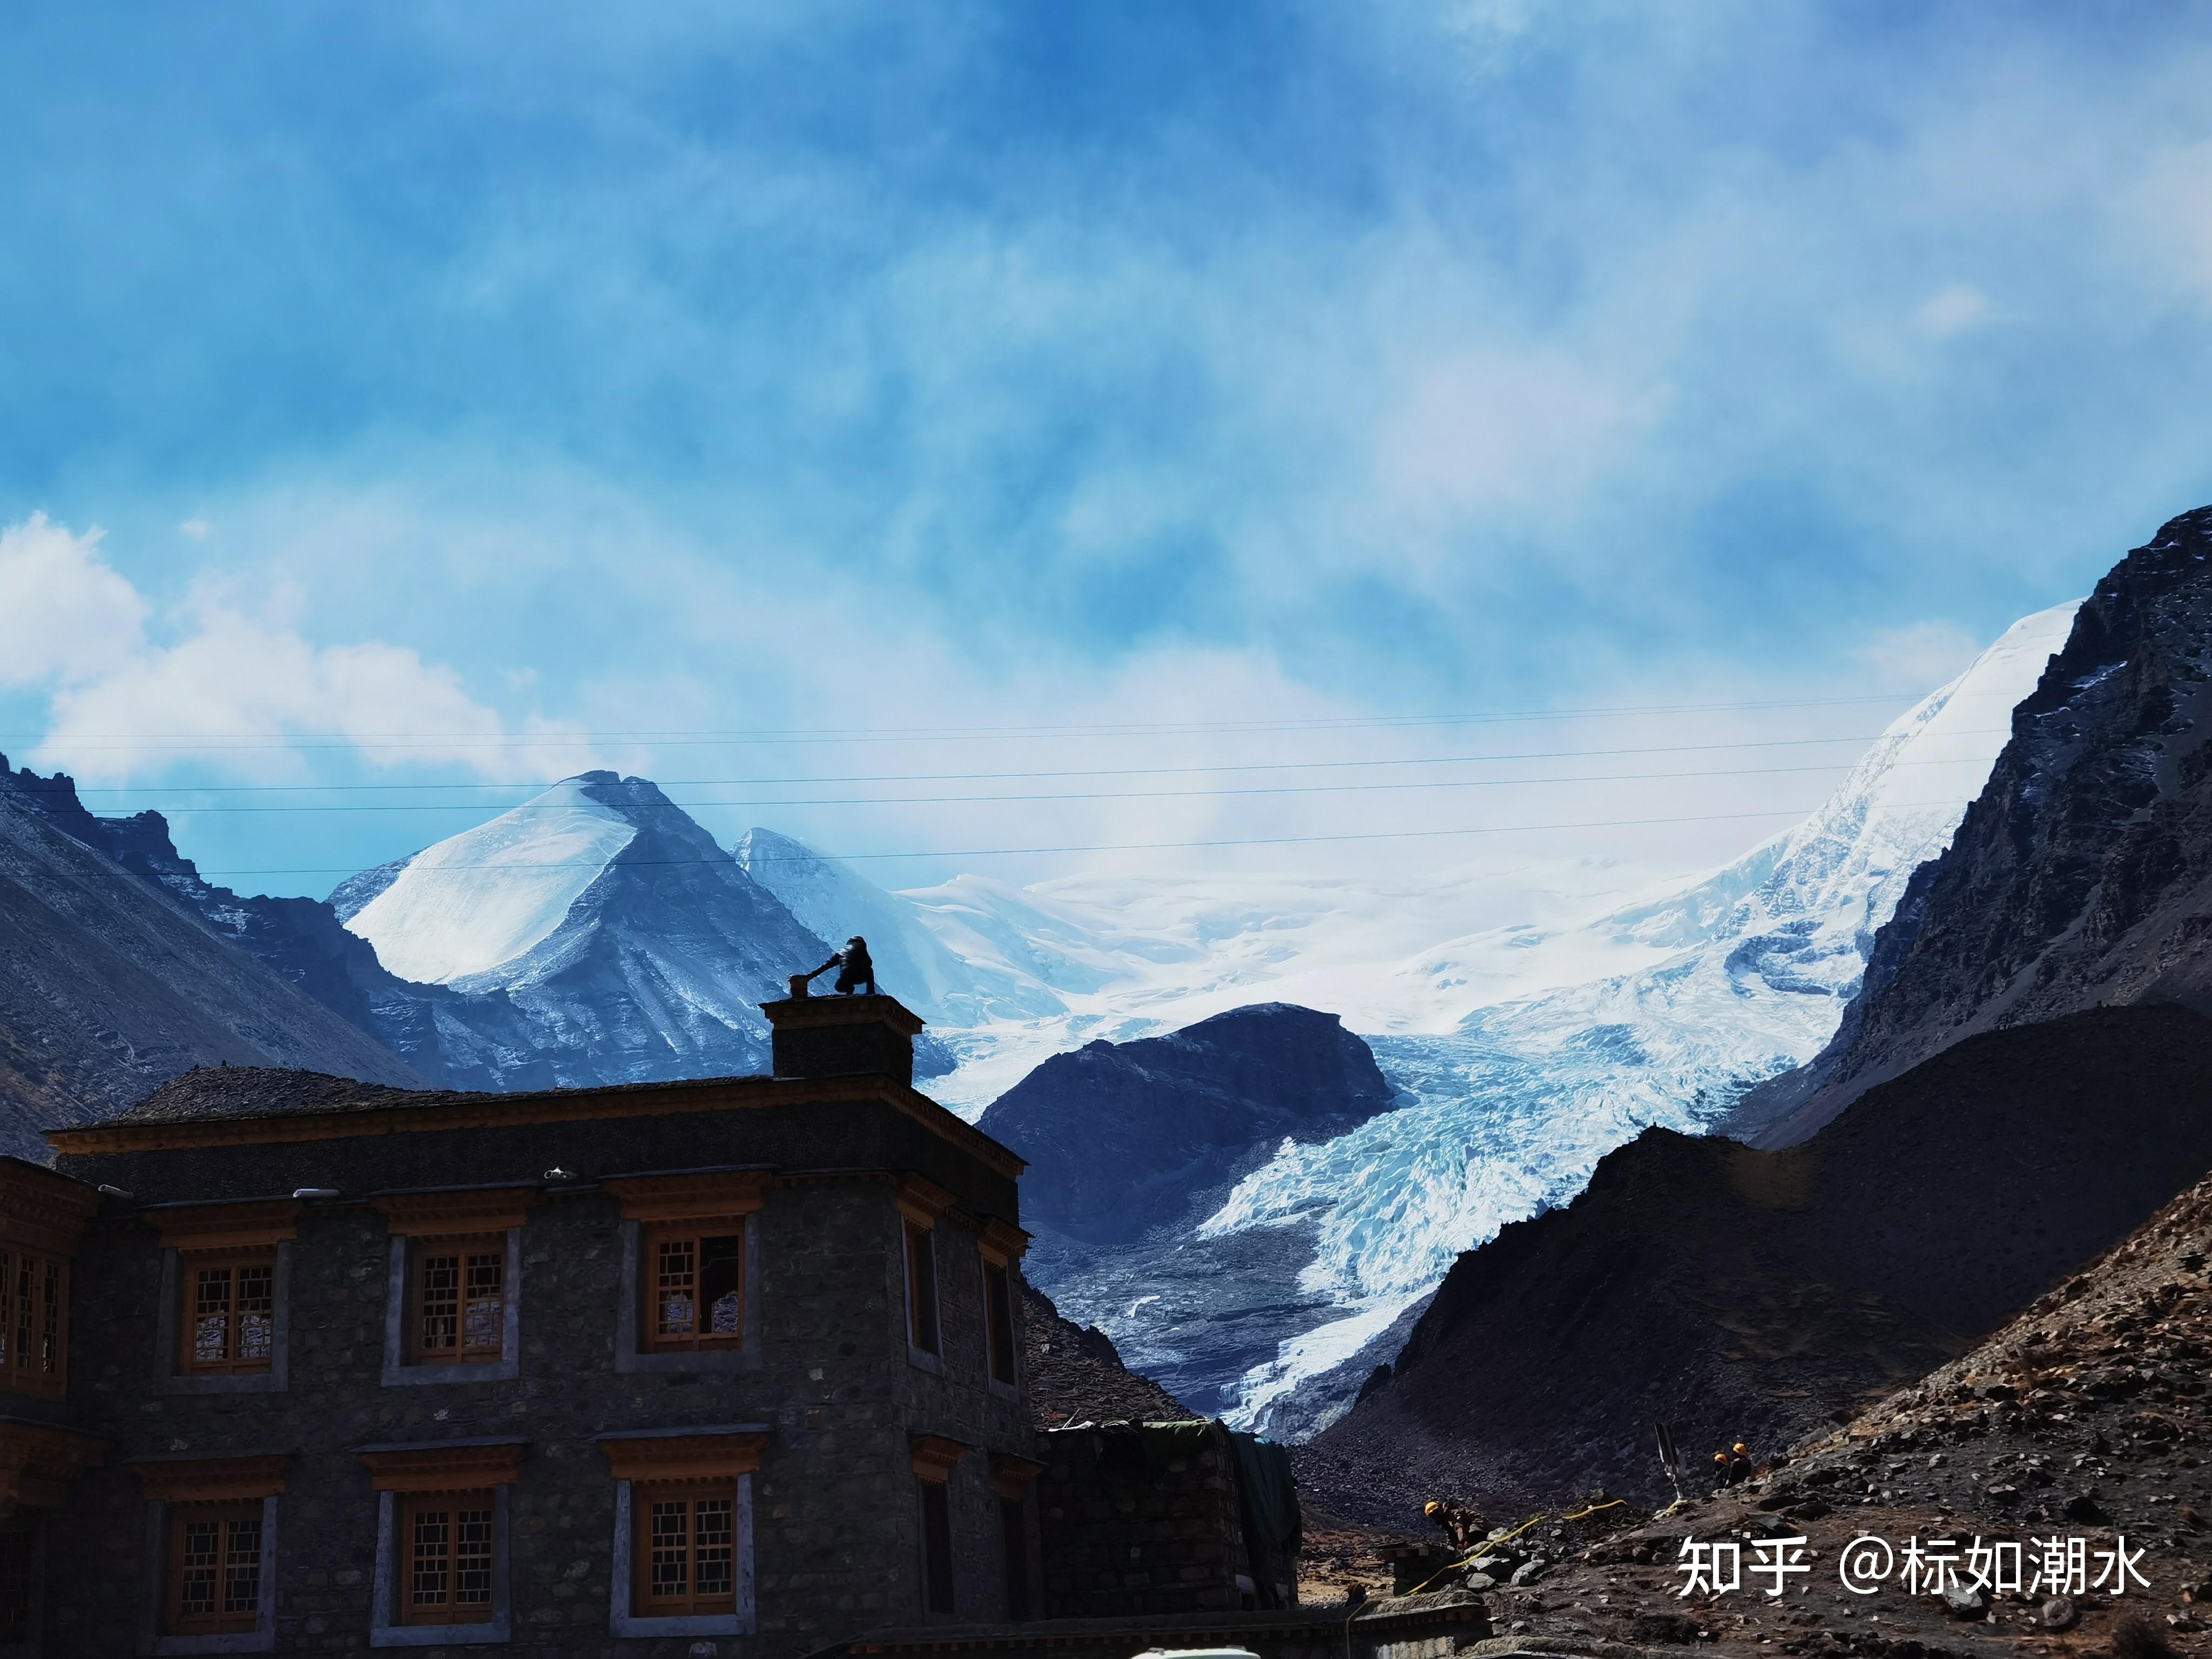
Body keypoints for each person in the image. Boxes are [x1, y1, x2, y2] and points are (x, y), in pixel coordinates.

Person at [806, 936, 877, 995]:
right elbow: (869, 963)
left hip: (845, 980)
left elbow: (826, 966)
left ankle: (849, 989)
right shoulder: (862, 950)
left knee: (839, 987)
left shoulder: (841, 953)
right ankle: (871, 992)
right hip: (860, 977)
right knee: (870, 971)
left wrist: (811, 976)